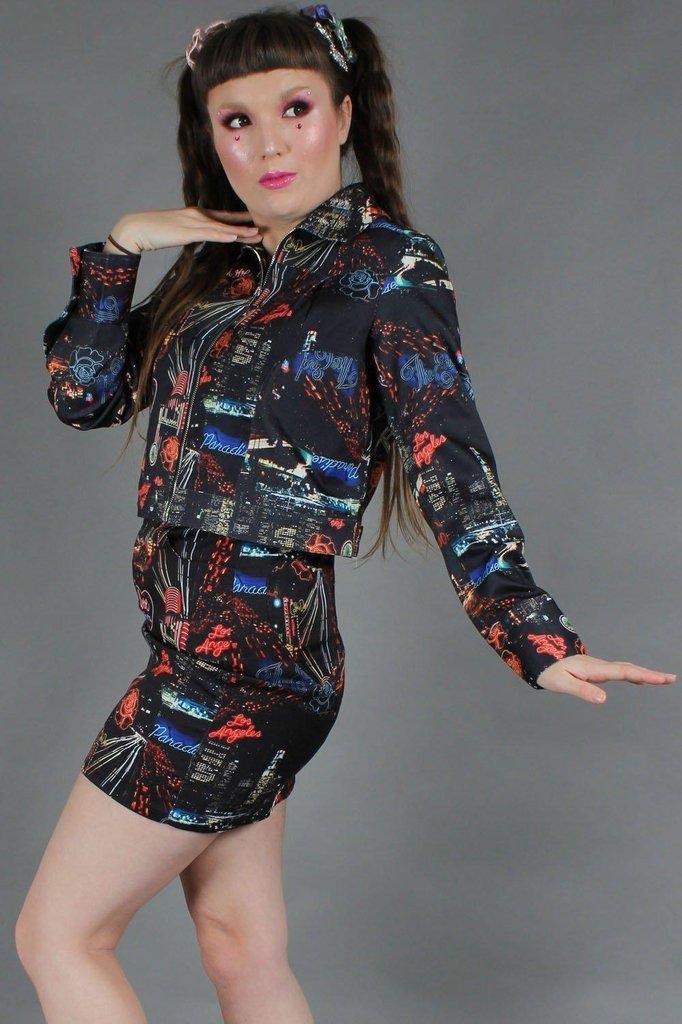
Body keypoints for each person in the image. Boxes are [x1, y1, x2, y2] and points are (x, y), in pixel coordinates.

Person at [16, 6, 676, 1023]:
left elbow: (450, 458)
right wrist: (122, 248)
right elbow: (84, 396)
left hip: (243, 657)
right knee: (241, 948)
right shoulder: (214, 268)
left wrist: (532, 635)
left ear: (345, 113)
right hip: (217, 646)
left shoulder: (389, 267)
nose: (268, 144)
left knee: (57, 935)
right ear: (209, 136)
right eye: (237, 121)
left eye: (295, 108)